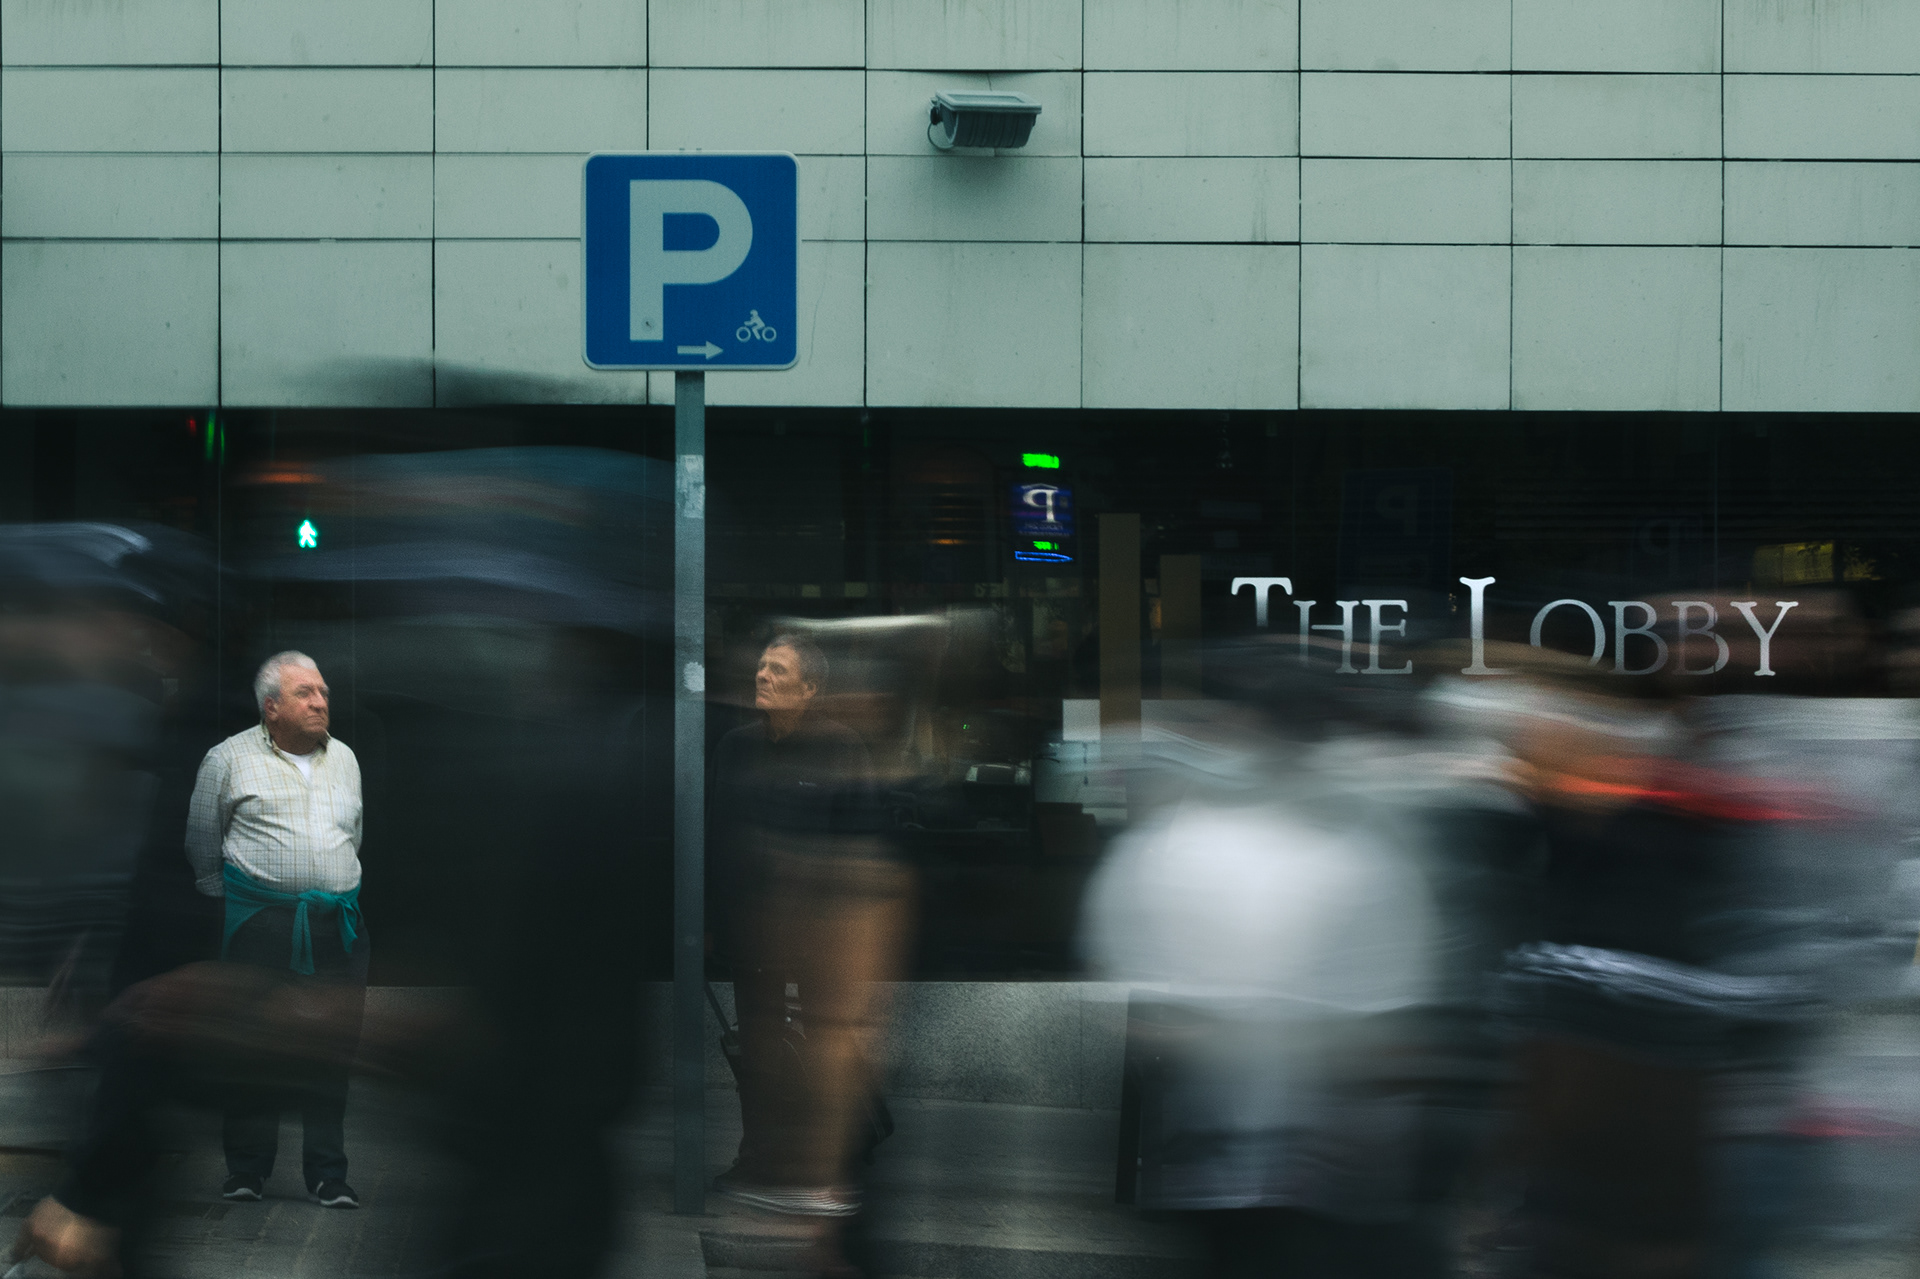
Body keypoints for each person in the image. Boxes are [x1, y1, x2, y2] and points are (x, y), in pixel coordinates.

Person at [708, 634, 908, 1257]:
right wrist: (714, 919)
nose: (762, 675)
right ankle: (759, 1157)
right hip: (756, 927)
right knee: (760, 1046)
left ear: (811, 688)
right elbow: (718, 834)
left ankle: (831, 1164)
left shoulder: (839, 747)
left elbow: (864, 835)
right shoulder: (736, 747)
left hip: (824, 932)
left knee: (826, 1045)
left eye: (778, 669)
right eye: (761, 665)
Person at [185, 650, 368, 1210]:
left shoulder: (345, 758)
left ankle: (328, 1174)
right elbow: (201, 841)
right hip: (260, 924)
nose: (320, 702)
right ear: (271, 708)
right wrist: (242, 906)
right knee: (251, 1046)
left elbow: (354, 835)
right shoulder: (228, 758)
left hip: (337, 926)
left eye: (323, 692)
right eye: (304, 693)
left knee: (331, 1050)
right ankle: (247, 1168)